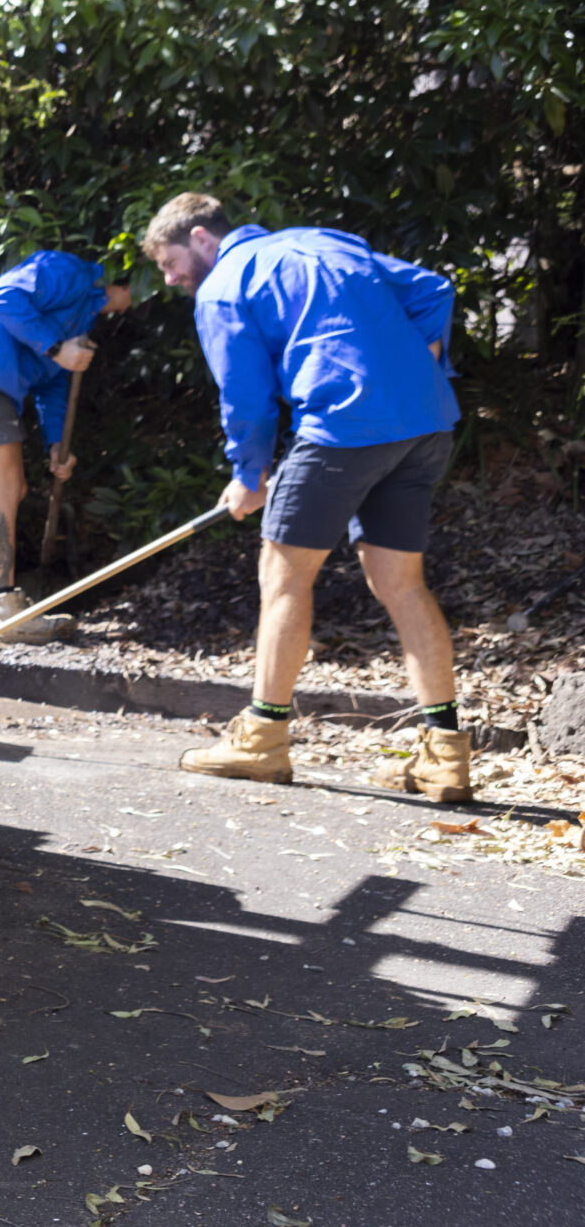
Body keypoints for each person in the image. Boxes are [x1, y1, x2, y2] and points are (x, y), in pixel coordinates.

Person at [144, 193, 468, 798]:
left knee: (284, 576)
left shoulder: (224, 286)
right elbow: (433, 290)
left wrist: (248, 474)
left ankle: (263, 740)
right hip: (425, 423)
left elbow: (244, 394)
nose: (170, 279)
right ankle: (447, 754)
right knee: (401, 582)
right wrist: (416, 365)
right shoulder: (327, 241)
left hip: (342, 427)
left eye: (169, 262)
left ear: (201, 238)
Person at [0, 251, 134, 639]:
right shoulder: (70, 271)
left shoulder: (83, 317)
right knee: (3, 489)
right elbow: (2, 298)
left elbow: (52, 385)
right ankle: (5, 612)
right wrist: (55, 348)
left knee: (8, 490)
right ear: (126, 280)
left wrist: (56, 444)